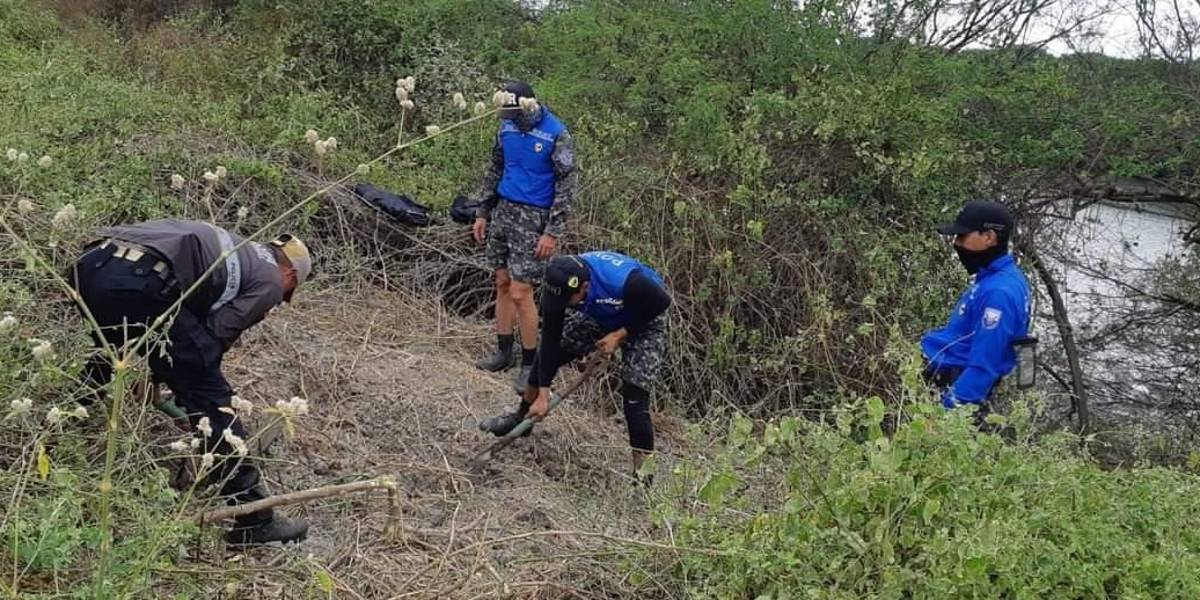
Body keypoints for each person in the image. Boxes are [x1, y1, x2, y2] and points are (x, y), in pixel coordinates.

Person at [70, 219, 311, 547]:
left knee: (105, 357)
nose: (277, 301)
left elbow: (180, 328)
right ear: (291, 276)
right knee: (212, 398)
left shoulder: (241, 247)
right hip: (143, 282)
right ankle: (254, 520)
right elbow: (211, 339)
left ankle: (54, 433)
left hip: (92, 265)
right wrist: (194, 393)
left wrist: (164, 369)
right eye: (287, 295)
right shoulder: (270, 279)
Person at [480, 252, 671, 481]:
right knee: (545, 357)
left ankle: (643, 476)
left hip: (644, 318)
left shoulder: (626, 281)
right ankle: (522, 418)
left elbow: (661, 302)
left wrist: (620, 335)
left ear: (585, 287)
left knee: (635, 395)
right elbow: (550, 340)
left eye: (568, 301)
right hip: (601, 315)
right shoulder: (559, 284)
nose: (562, 307)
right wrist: (543, 394)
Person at [470, 80, 579, 392]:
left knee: (522, 291)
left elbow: (567, 186)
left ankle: (530, 362)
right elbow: (495, 168)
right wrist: (482, 211)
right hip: (504, 210)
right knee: (502, 283)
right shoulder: (506, 128)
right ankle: (503, 351)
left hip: (534, 218)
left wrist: (552, 232)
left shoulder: (555, 133)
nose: (510, 117)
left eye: (514, 112)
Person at [921, 201, 1031, 419]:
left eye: (963, 237)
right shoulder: (1000, 279)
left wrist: (943, 416)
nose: (956, 243)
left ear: (989, 237)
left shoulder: (998, 293)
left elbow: (984, 367)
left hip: (949, 385)